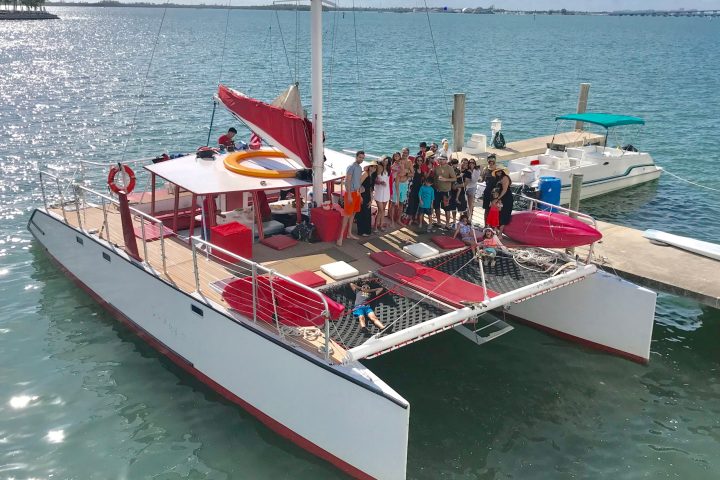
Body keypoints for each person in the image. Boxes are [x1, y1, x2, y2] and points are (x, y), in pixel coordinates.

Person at [337, 151, 364, 246]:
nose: (361, 159)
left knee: (353, 214)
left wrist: (360, 195)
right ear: (356, 157)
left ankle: (349, 233)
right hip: (350, 193)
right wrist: (348, 195)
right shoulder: (351, 167)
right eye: (360, 157)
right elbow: (347, 181)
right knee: (346, 215)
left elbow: (358, 182)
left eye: (362, 158)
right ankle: (340, 237)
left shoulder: (360, 168)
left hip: (356, 193)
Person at [432, 156, 456, 230]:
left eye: (443, 159)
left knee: (447, 208)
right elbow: (435, 178)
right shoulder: (437, 167)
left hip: (446, 191)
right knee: (436, 206)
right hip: (437, 190)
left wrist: (446, 179)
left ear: (446, 160)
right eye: (440, 159)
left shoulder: (449, 168)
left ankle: (447, 224)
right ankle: (438, 222)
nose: (441, 161)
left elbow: (454, 178)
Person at [357, 161, 378, 237]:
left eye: (375, 167)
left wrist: (371, 199)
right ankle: (361, 231)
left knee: (367, 213)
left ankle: (366, 231)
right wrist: (360, 196)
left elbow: (371, 189)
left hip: (367, 195)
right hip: (362, 194)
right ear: (369, 167)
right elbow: (358, 184)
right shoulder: (365, 173)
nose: (373, 168)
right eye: (372, 166)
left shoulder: (372, 175)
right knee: (362, 213)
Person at [493, 168, 513, 235]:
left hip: (506, 199)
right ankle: (497, 232)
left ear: (502, 171)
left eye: (499, 171)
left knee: (504, 215)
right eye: (497, 171)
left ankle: (500, 234)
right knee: (498, 215)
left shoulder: (505, 177)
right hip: (501, 199)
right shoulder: (499, 178)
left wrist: (498, 198)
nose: (498, 172)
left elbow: (504, 190)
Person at [374, 156, 391, 231]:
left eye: (387, 161)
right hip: (379, 192)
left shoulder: (388, 169)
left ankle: (380, 225)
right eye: (384, 160)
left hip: (386, 191)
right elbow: (374, 179)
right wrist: (380, 182)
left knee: (383, 209)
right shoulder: (379, 168)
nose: (386, 162)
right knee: (380, 210)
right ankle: (375, 227)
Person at [405, 156, 424, 225]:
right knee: (411, 203)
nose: (419, 162)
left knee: (416, 203)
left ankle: (413, 218)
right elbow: (408, 175)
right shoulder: (414, 168)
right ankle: (408, 218)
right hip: (412, 188)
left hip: (419, 189)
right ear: (416, 161)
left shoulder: (420, 169)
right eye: (418, 160)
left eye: (421, 160)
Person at [481, 154, 499, 224]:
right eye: (489, 160)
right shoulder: (485, 169)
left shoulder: (498, 169)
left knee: (495, 210)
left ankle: (493, 225)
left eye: (493, 160)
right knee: (487, 210)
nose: (491, 161)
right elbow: (482, 180)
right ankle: (486, 225)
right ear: (487, 160)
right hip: (487, 192)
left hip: (496, 193)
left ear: (495, 160)